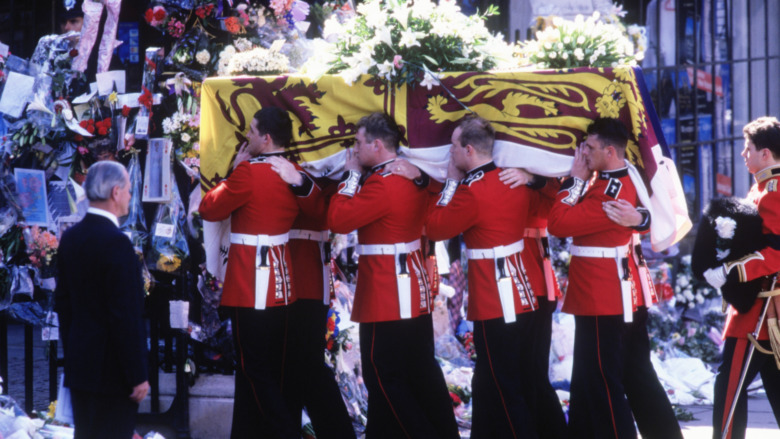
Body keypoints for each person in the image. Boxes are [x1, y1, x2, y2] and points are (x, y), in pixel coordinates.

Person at [548, 117, 682, 439]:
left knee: (601, 382)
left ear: (610, 151)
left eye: (590, 147)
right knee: (627, 375)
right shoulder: (628, 172)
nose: (583, 153)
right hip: (624, 292)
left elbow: (559, 223)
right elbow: (648, 215)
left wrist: (575, 181)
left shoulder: (608, 189)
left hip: (603, 295)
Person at [328, 112, 459, 439]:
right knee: (421, 372)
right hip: (412, 288)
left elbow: (339, 219)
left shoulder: (383, 183)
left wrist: (351, 177)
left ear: (376, 144)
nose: (355, 150)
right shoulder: (416, 176)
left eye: (359, 143)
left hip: (388, 290)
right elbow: (439, 191)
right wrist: (422, 179)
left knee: (382, 376)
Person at [424, 116, 555, 438]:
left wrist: (451, 183)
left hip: (495, 298)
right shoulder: (514, 181)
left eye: (453, 146)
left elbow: (436, 226)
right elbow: (551, 197)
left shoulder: (472, 191)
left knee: (502, 385)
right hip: (522, 291)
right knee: (502, 380)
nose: (450, 153)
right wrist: (533, 178)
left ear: (468, 150)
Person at [199, 106, 323, 438]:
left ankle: (285, 432)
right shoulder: (295, 174)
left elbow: (208, 208)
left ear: (266, 139)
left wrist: (233, 171)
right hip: (283, 286)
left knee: (254, 370)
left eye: (252, 131)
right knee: (272, 369)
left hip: (249, 284)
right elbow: (319, 211)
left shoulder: (249, 173)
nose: (248, 136)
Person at [55, 160, 149, 439]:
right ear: (116, 192)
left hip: (81, 367)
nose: (131, 197)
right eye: (129, 190)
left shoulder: (70, 238)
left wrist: (72, 358)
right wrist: (137, 374)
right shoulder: (117, 242)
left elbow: (64, 306)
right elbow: (124, 315)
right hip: (113, 373)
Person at [703, 116, 780, 439]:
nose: (742, 154)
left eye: (748, 148)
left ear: (765, 154)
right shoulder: (761, 187)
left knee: (729, 388)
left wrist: (732, 270)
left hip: (758, 309)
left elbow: (776, 252)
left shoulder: (772, 192)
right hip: (761, 309)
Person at [498, 167, 568, 438]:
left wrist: (533, 178)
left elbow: (559, 193)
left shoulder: (542, 180)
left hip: (523, 281)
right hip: (534, 279)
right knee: (531, 371)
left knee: (525, 372)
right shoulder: (541, 180)